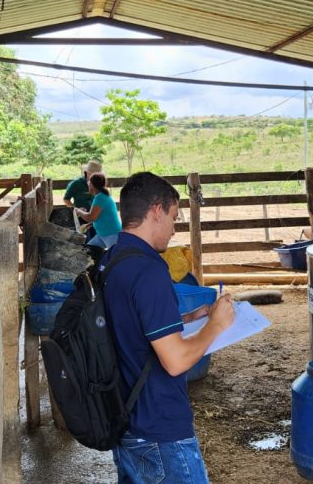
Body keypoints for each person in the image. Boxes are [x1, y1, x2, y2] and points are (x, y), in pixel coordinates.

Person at [103, 172, 235, 484]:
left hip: (127, 419)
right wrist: (214, 326)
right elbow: (175, 361)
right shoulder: (149, 271)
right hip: (159, 428)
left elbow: (130, 326)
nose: (174, 230)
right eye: (174, 217)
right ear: (156, 211)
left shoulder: (113, 258)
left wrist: (189, 320)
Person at [76, 172, 121, 248]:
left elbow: (91, 217)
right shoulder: (102, 196)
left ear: (93, 185)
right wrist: (90, 224)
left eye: (89, 185)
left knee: (116, 257)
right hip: (102, 235)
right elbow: (100, 216)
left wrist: (79, 212)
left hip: (111, 234)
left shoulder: (100, 198)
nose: (88, 187)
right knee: (88, 252)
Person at [63, 160, 101, 240]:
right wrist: (75, 209)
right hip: (81, 219)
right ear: (87, 172)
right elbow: (66, 199)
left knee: (96, 242)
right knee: (86, 241)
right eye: (94, 173)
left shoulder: (98, 184)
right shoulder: (76, 184)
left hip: (95, 219)